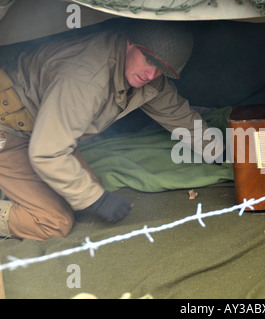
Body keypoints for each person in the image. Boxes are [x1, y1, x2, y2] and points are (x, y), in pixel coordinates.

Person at [0, 19, 221, 241]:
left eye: (161, 70)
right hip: (8, 129)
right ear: (129, 43)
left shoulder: (142, 73)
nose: (151, 74)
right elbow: (47, 152)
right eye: (148, 60)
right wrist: (98, 200)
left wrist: (220, 151)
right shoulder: (87, 78)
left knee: (81, 194)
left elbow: (177, 115)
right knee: (54, 222)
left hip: (39, 128)